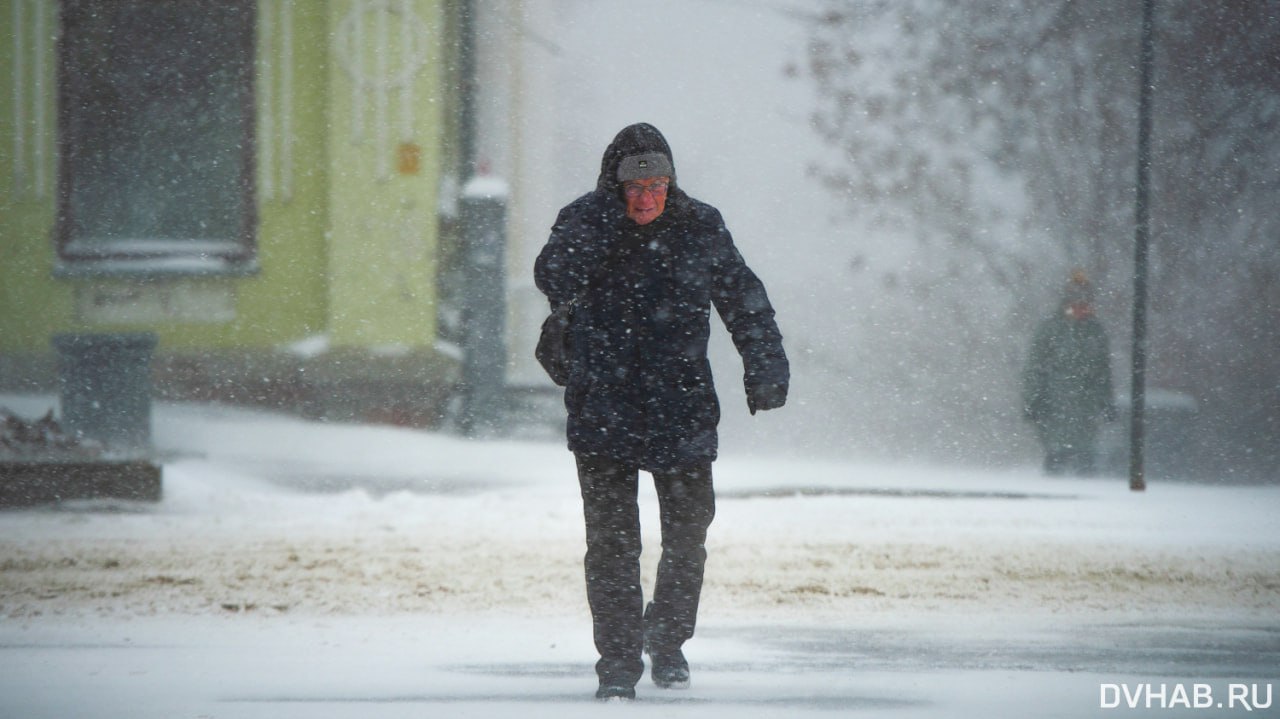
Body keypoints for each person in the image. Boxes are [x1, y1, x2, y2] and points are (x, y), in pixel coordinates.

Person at [534, 123, 789, 700]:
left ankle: (667, 640)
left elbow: (745, 300)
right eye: (634, 186)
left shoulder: (700, 225)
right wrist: (601, 222)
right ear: (615, 186)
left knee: (688, 534)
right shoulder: (585, 221)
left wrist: (766, 366)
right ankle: (618, 666)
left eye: (658, 185)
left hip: (682, 406)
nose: (647, 198)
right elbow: (551, 278)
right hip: (603, 408)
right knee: (612, 544)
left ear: (672, 183)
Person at [1021, 270, 1117, 475]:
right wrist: (1033, 400)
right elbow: (1035, 368)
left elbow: (1103, 372)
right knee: (1057, 455)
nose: (1082, 309)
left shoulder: (1095, 331)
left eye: (1086, 305)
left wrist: (1106, 403)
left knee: (1085, 458)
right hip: (1055, 404)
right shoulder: (1051, 329)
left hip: (1086, 406)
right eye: (1077, 304)